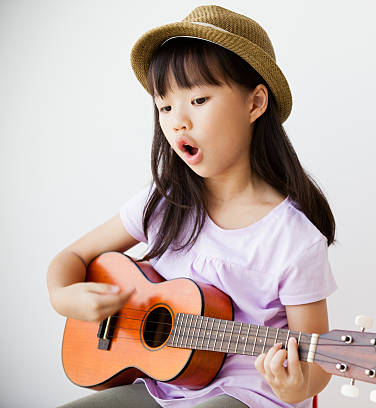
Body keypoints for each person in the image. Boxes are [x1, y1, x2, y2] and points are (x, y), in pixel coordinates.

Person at [47, 5, 338, 408]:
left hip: (245, 396)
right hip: (161, 387)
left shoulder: (294, 240)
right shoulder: (165, 202)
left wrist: (296, 385)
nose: (177, 121)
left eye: (199, 99)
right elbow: (74, 256)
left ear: (255, 104)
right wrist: (64, 296)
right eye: (165, 106)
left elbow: (317, 359)